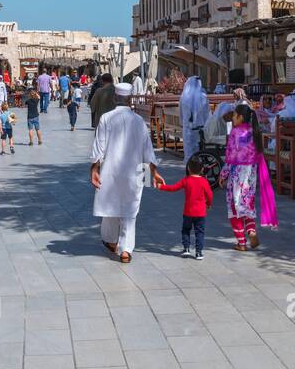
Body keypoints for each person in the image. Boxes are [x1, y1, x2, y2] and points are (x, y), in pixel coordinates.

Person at [90, 83, 163, 263]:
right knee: (131, 210)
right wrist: (153, 172)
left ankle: (111, 240)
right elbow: (148, 150)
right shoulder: (138, 121)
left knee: (111, 204)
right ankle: (126, 249)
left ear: (115, 98)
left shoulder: (106, 118)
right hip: (136, 171)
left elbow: (99, 146)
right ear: (130, 99)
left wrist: (94, 169)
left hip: (111, 169)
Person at [219, 103, 277, 251]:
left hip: (237, 173)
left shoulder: (235, 132)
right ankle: (251, 230)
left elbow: (230, 156)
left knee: (234, 206)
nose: (232, 118)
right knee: (247, 204)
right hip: (251, 174)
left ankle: (241, 242)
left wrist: (223, 174)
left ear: (240, 117)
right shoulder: (254, 131)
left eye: (234, 115)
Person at [157, 154, 214, 259]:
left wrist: (161, 187)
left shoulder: (186, 180)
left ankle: (186, 249)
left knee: (186, 230)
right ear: (202, 169)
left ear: (188, 168)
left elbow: (173, 188)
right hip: (201, 213)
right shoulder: (204, 181)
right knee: (200, 232)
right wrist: (208, 204)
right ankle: (199, 252)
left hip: (188, 212)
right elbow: (210, 194)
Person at [179, 75, 209, 161]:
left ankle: (190, 167)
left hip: (187, 128)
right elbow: (207, 113)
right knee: (200, 149)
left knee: (189, 150)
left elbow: (181, 113)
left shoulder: (183, 97)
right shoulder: (203, 96)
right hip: (201, 128)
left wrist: (183, 124)